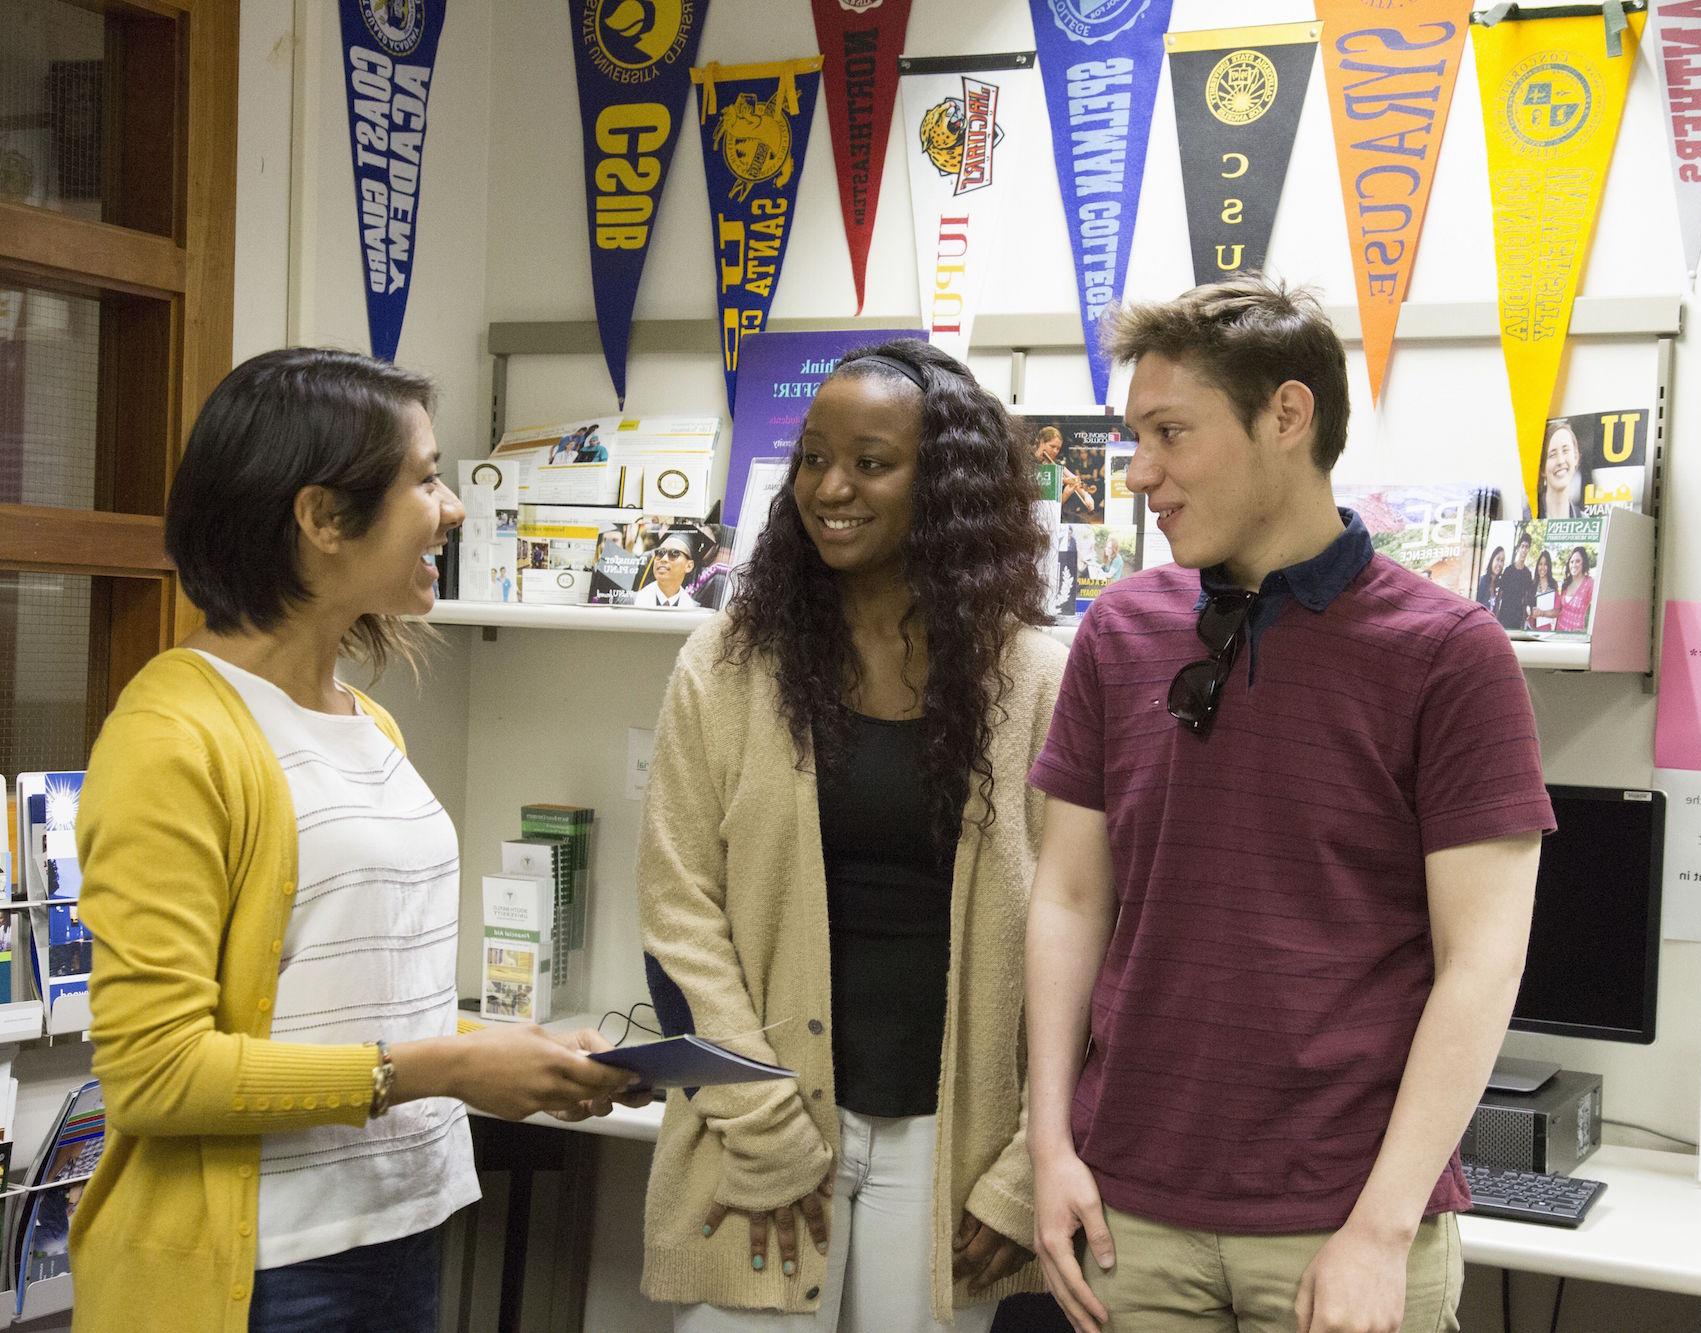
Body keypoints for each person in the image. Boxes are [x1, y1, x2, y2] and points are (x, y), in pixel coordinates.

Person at [71, 348, 641, 1333]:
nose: (454, 506)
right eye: (424, 478)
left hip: (398, 1237)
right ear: (321, 517)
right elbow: (155, 1070)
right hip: (264, 1277)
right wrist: (452, 1071)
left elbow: (349, 1008)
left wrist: (513, 1049)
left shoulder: (366, 725)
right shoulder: (172, 736)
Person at [1023, 276, 1552, 1333]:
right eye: (1135, 437)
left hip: (1339, 1227)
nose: (1140, 474)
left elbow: (1481, 959)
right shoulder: (1118, 631)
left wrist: (1381, 1230)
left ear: (1286, 415)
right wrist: (1048, 1148)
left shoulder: (1446, 654)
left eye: (1169, 433)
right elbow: (1070, 899)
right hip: (1129, 1212)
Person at [635, 339, 1066, 1331]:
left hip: (953, 1148)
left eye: (872, 462)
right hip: (760, 1141)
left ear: (945, 483)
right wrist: (761, 1129)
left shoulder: (1036, 679)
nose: (831, 487)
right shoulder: (726, 663)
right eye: (813, 457)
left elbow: (1091, 937)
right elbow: (675, 913)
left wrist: (1023, 1168)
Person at [634, 532, 702, 608]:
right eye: (660, 553)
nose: (663, 559)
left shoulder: (694, 611)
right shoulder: (632, 602)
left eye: (674, 553)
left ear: (689, 566)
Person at [1539, 419, 1583, 519]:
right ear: (1542, 469)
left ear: (1576, 457)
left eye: (1565, 450)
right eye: (1552, 455)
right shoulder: (1526, 518)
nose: (1560, 461)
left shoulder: (1585, 522)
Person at [1495, 534, 1534, 630]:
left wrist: (1525, 616)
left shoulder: (1528, 574)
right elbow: (1500, 594)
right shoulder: (1508, 570)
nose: (1524, 550)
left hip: (1517, 619)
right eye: (1523, 546)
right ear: (1518, 548)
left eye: (1527, 547)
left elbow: (1526, 598)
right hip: (1503, 616)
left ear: (1528, 550)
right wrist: (1495, 616)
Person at [1555, 545, 1596, 633]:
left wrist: (1586, 630)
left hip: (1575, 638)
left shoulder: (1589, 583)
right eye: (1571, 562)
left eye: (1578, 561)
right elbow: (1559, 610)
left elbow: (1599, 610)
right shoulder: (1566, 583)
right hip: (1559, 631)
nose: (1574, 565)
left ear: (1583, 563)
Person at [1528, 548, 1559, 632]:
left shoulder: (1553, 585)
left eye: (1545, 564)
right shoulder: (1532, 585)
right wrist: (1531, 613)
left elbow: (1556, 611)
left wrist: (1542, 613)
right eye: (1540, 564)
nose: (1542, 567)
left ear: (1549, 567)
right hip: (1531, 628)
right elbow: (1527, 608)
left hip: (1546, 630)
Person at [1474, 545, 1505, 615]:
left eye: (1502, 561)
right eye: (1498, 559)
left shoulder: (1498, 585)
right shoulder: (1482, 581)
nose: (1499, 564)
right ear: (1492, 560)